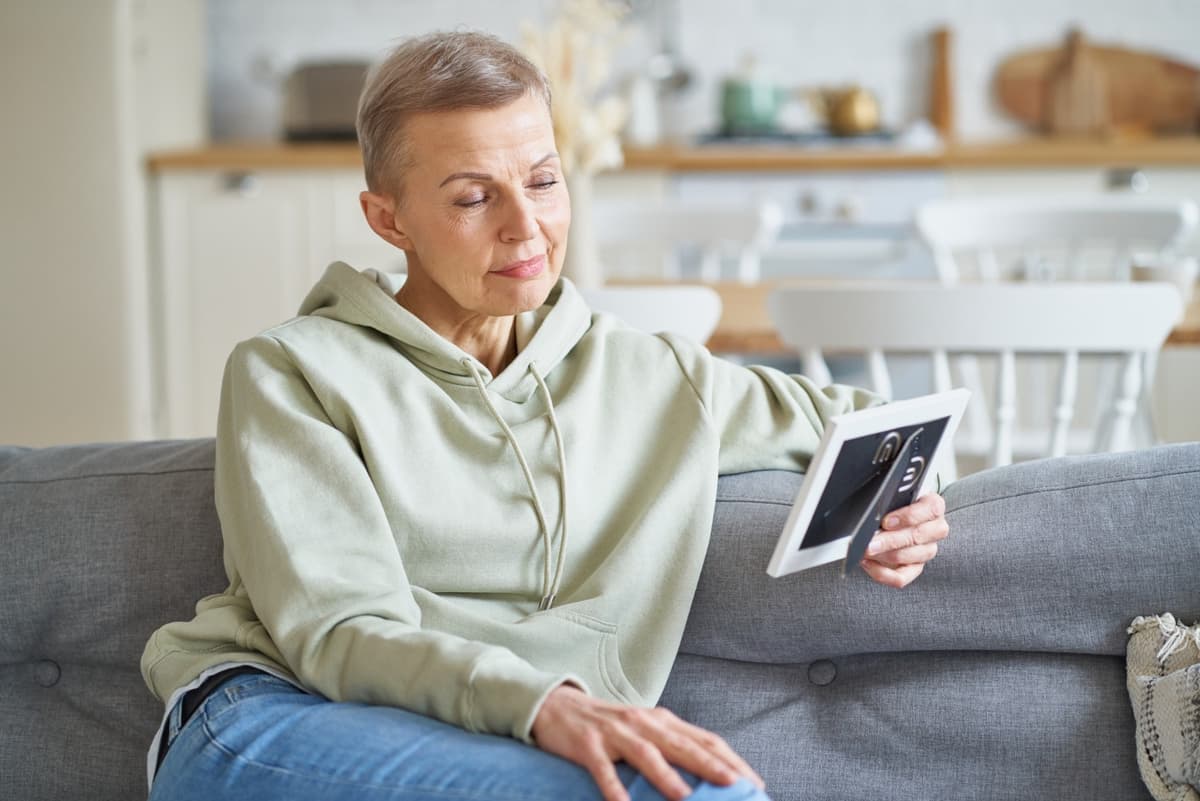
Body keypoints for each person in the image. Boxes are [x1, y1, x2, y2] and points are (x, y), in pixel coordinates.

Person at [141, 30, 949, 801]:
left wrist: (901, 503)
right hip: (277, 717)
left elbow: (882, 425)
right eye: (471, 197)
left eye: (543, 179)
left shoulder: (650, 373)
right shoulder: (292, 372)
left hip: (502, 742)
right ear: (389, 220)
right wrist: (548, 703)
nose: (525, 226)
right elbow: (340, 632)